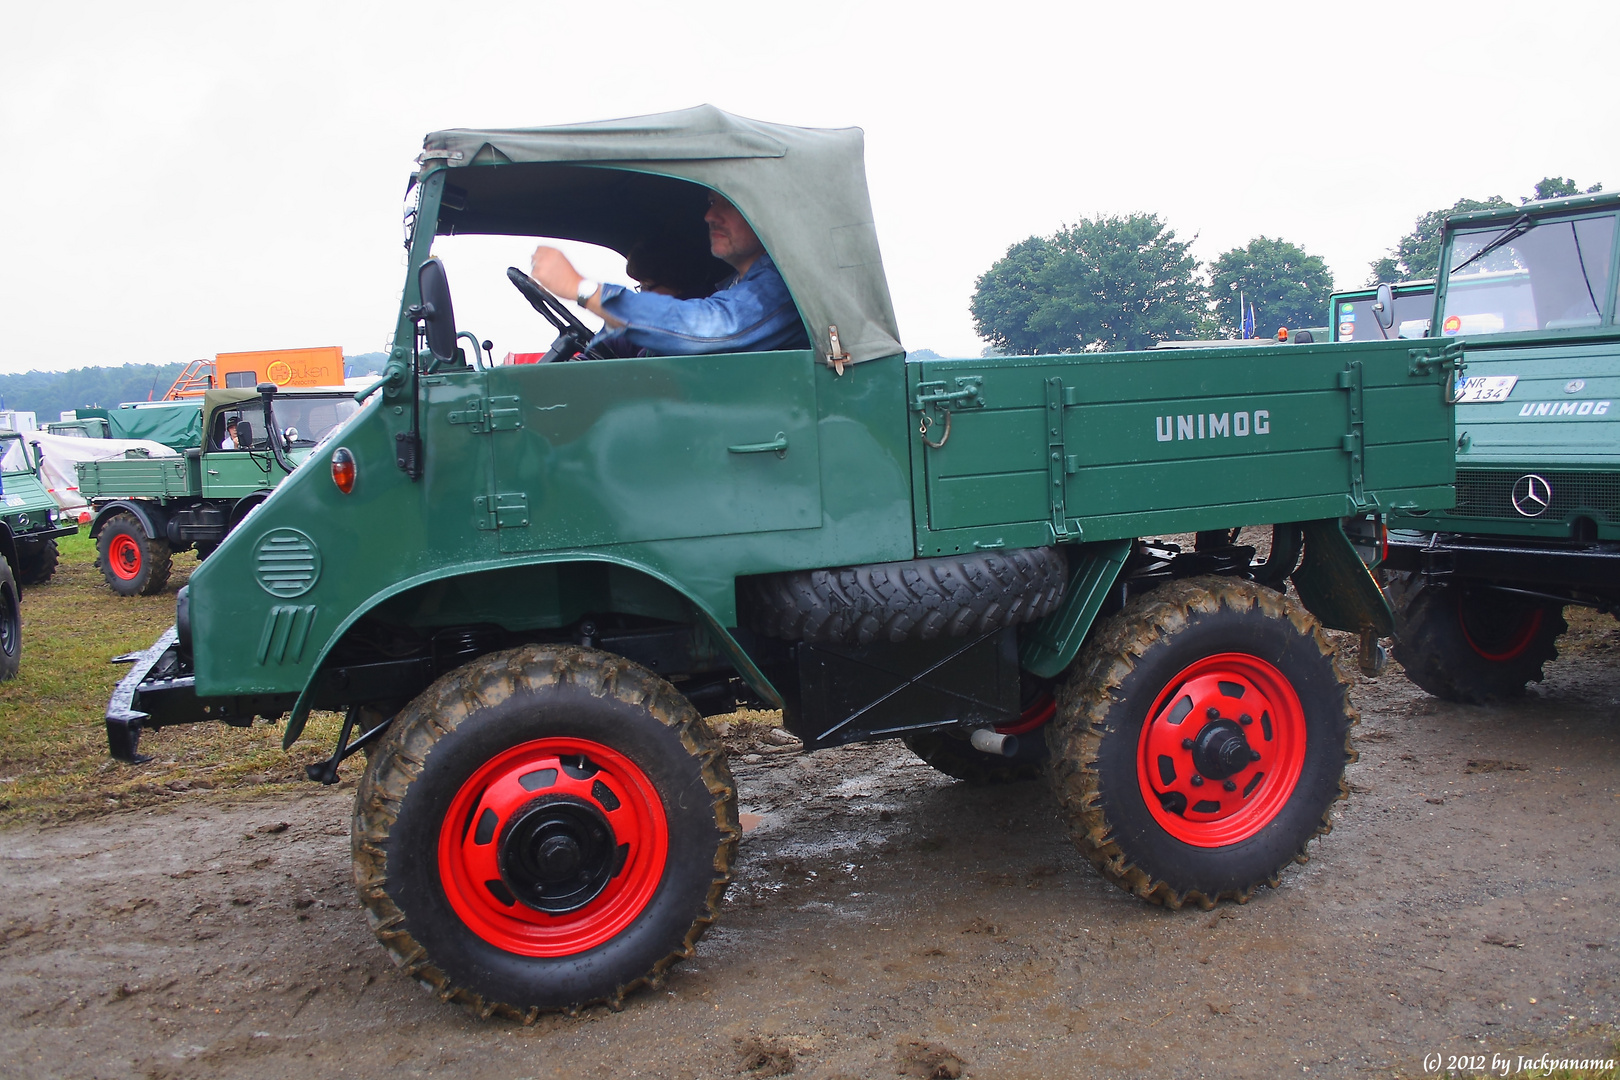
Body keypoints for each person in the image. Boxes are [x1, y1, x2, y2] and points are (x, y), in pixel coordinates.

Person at [529, 193, 810, 356]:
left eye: (728, 203)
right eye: (711, 202)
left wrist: (584, 290)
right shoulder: (730, 288)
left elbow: (713, 327)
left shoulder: (782, 286)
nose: (710, 216)